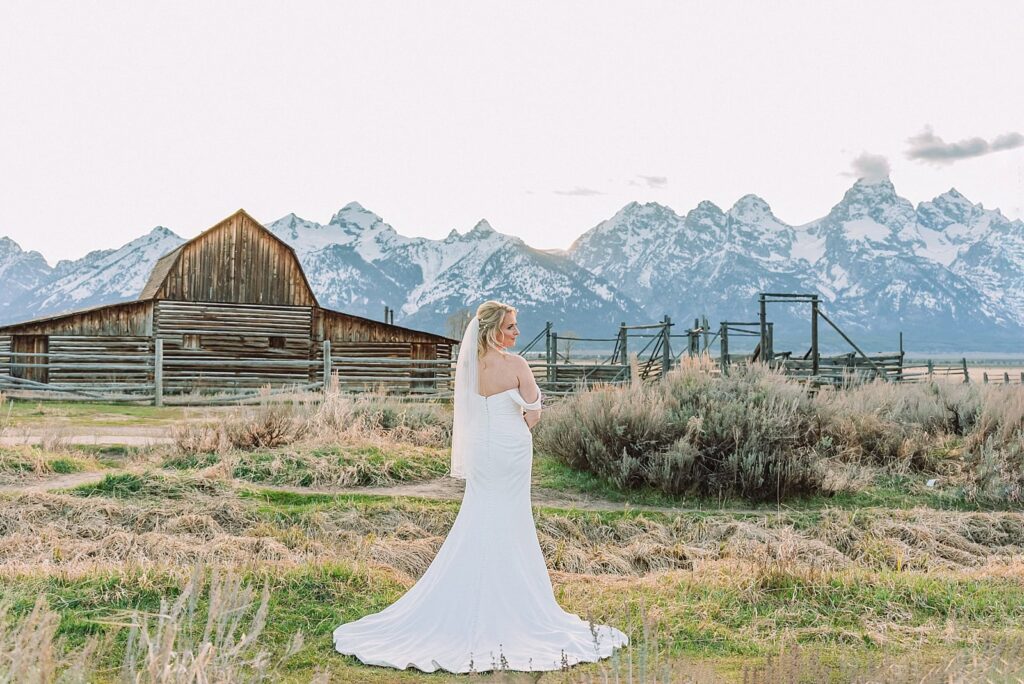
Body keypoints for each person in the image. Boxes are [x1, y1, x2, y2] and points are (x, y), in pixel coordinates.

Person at [333, 300, 628, 673]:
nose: (516, 333)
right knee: (513, 522)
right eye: (510, 327)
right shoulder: (517, 365)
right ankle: (512, 604)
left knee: (479, 518)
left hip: (482, 454)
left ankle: (473, 596)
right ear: (492, 330)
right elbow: (534, 412)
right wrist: (518, 424)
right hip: (513, 450)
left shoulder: (469, 369)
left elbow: (469, 416)